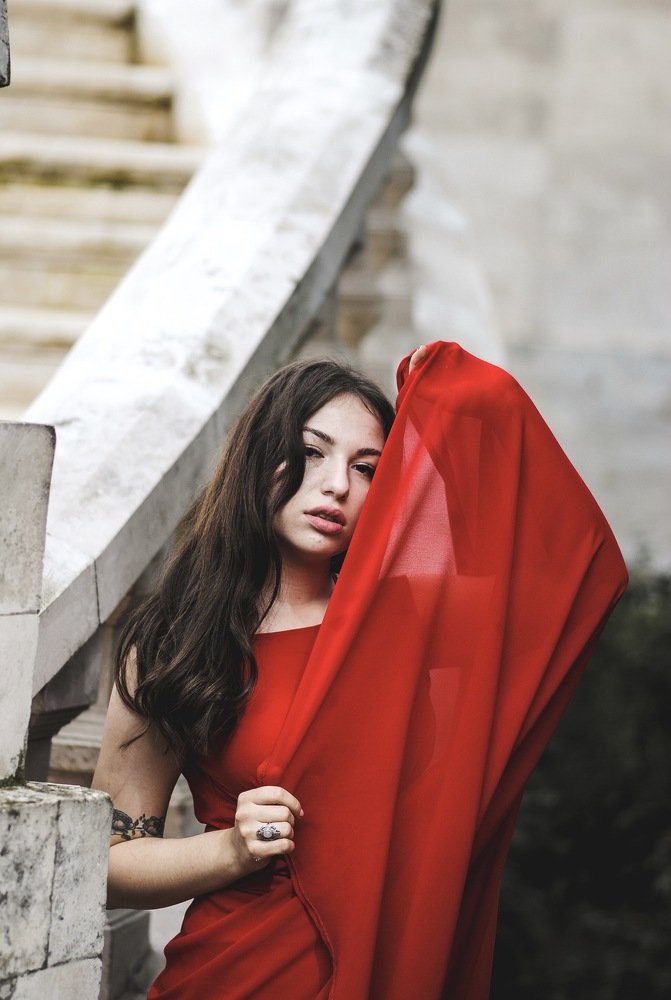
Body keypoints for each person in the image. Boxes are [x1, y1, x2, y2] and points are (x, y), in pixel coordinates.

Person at [92, 341, 627, 999]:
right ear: (258, 457)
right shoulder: (178, 641)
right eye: (312, 452)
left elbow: (574, 571)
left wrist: (449, 393)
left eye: (369, 468)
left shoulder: (411, 620)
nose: (337, 485)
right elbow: (112, 865)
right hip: (235, 972)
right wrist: (230, 849)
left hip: (394, 963)